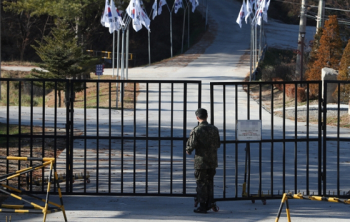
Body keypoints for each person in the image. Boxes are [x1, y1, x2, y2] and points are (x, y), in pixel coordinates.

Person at [186, 108, 220, 213]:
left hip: (201, 161)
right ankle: (210, 202)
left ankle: (202, 205)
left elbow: (190, 146)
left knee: (201, 182)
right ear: (207, 116)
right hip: (212, 160)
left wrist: (188, 150)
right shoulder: (214, 129)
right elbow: (218, 144)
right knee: (210, 182)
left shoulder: (196, 130)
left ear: (197, 117)